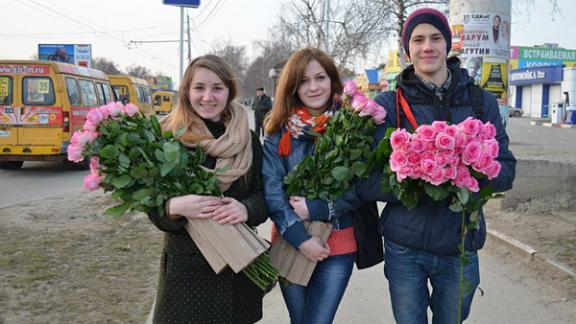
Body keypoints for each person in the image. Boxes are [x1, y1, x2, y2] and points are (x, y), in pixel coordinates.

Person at [310, 8, 517, 323]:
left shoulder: (480, 102)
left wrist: (469, 172)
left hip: (460, 244)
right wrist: (416, 180)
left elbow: (507, 171)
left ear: (447, 45)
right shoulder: (387, 107)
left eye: (436, 38)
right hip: (405, 246)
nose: (427, 47)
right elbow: (364, 180)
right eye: (418, 40)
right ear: (408, 50)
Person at [147, 55, 268, 324]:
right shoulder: (168, 138)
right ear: (187, 91)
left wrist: (245, 208)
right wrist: (173, 207)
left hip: (239, 269)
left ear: (229, 91)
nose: (207, 97)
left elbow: (263, 199)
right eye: (199, 87)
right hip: (187, 276)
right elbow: (151, 206)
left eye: (217, 88)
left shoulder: (247, 140)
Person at [262, 48, 379, 324]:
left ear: (332, 80)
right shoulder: (280, 131)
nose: (313, 87)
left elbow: (363, 186)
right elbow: (272, 191)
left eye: (320, 77)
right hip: (291, 239)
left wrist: (319, 208)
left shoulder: (354, 126)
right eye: (303, 80)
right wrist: (301, 240)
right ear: (293, 86)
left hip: (338, 244)